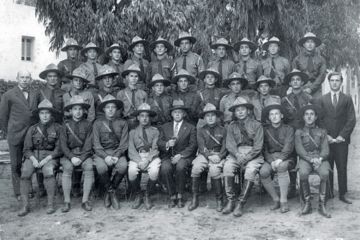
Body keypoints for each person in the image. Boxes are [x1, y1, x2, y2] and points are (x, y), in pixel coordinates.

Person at [17, 99, 62, 216]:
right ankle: (25, 205)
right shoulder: (32, 129)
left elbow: (59, 149)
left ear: (51, 114)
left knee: (48, 171)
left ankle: (50, 204)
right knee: (25, 173)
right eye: (42, 113)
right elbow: (26, 149)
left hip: (50, 157)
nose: (45, 116)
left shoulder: (58, 128)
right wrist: (33, 159)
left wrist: (47, 159)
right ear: (38, 115)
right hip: (34, 156)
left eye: (47, 113)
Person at [317, 72, 356, 203]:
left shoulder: (347, 99)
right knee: (328, 166)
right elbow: (320, 120)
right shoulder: (322, 99)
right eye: (332, 80)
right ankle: (328, 192)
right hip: (327, 141)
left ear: (341, 82)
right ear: (329, 82)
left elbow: (351, 120)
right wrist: (326, 135)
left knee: (342, 167)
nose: (335, 83)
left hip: (341, 141)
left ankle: (343, 193)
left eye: (337, 80)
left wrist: (342, 136)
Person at [0, 70, 40, 200]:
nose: (24, 80)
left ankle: (28, 189)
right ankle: (19, 192)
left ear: (30, 79)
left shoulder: (35, 93)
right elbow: (3, 117)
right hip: (15, 135)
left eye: (27, 77)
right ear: (17, 78)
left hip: (31, 135)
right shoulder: (8, 95)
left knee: (29, 163)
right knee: (16, 165)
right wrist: (9, 132)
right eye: (22, 77)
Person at [223, 96, 264, 217]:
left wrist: (246, 158)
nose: (240, 112)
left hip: (253, 154)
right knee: (227, 167)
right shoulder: (231, 126)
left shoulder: (257, 125)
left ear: (248, 110)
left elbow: (258, 146)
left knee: (250, 170)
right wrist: (237, 154)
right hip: (236, 153)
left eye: (243, 109)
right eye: (237, 110)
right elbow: (230, 144)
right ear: (234, 113)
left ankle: (241, 203)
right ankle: (231, 200)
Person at [158, 99, 197, 208]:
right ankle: (172, 195)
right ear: (171, 114)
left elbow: (193, 145)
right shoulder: (165, 127)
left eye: (180, 112)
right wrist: (167, 144)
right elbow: (159, 142)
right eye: (175, 112)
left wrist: (181, 155)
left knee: (180, 166)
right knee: (165, 168)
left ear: (184, 114)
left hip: (184, 156)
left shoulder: (190, 127)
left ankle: (180, 195)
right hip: (168, 156)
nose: (177, 114)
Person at [188, 103, 226, 212]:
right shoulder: (201, 130)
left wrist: (220, 156)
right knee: (196, 167)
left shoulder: (223, 130)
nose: (210, 118)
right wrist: (209, 156)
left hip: (219, 155)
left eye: (213, 115)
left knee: (214, 170)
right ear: (204, 118)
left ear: (217, 117)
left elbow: (225, 147)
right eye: (207, 116)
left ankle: (219, 199)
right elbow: (201, 146)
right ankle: (195, 198)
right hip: (205, 154)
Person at [295, 104, 331, 218]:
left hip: (320, 158)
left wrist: (319, 159)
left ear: (316, 117)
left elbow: (325, 149)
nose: (309, 117)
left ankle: (322, 205)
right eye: (306, 114)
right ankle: (307, 204)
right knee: (303, 173)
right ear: (303, 117)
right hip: (306, 158)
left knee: (325, 173)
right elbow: (299, 150)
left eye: (312, 114)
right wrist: (311, 159)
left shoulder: (322, 131)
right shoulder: (299, 132)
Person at [259, 98, 295, 213]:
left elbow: (288, 147)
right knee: (263, 172)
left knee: (282, 167)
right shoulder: (265, 130)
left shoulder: (289, 129)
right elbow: (264, 149)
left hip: (286, 157)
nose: (274, 116)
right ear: (269, 117)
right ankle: (276, 199)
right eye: (271, 114)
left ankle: (284, 201)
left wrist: (280, 159)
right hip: (271, 158)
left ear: (282, 116)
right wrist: (271, 161)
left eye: (277, 114)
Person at [92, 95, 128, 209]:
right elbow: (96, 144)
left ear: (117, 109)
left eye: (113, 107)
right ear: (104, 109)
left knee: (123, 166)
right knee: (101, 167)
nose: (111, 109)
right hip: (101, 153)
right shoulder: (97, 123)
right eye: (108, 107)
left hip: (117, 152)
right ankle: (112, 192)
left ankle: (109, 191)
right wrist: (105, 157)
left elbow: (124, 143)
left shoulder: (123, 123)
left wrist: (117, 156)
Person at [60, 95, 94, 212]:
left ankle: (85, 200)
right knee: (68, 168)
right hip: (69, 155)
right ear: (70, 111)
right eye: (75, 109)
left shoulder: (88, 124)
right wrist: (72, 157)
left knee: (89, 167)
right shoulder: (65, 125)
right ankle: (67, 201)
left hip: (84, 154)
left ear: (84, 110)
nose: (78, 112)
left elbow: (89, 143)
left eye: (80, 109)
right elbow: (63, 145)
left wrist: (83, 157)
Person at [128, 103, 161, 210]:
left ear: (150, 117)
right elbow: (131, 149)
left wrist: (147, 160)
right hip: (137, 156)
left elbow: (155, 148)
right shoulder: (133, 132)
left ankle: (147, 194)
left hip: (151, 156)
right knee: (132, 171)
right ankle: (138, 194)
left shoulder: (155, 131)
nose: (144, 118)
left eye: (147, 116)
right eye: (142, 116)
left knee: (154, 171)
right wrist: (139, 161)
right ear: (138, 117)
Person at [292, 32, 326, 98]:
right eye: (307, 42)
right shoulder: (297, 59)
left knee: (316, 107)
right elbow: (294, 75)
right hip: (301, 89)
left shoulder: (321, 59)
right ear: (304, 44)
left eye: (312, 42)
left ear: (315, 44)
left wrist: (311, 88)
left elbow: (322, 75)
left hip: (316, 90)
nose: (310, 44)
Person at [117, 64, 148, 129]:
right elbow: (118, 113)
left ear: (138, 78)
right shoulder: (121, 93)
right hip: (126, 122)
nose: (134, 78)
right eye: (131, 76)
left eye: (136, 76)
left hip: (140, 123)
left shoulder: (143, 94)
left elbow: (146, 112)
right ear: (127, 77)